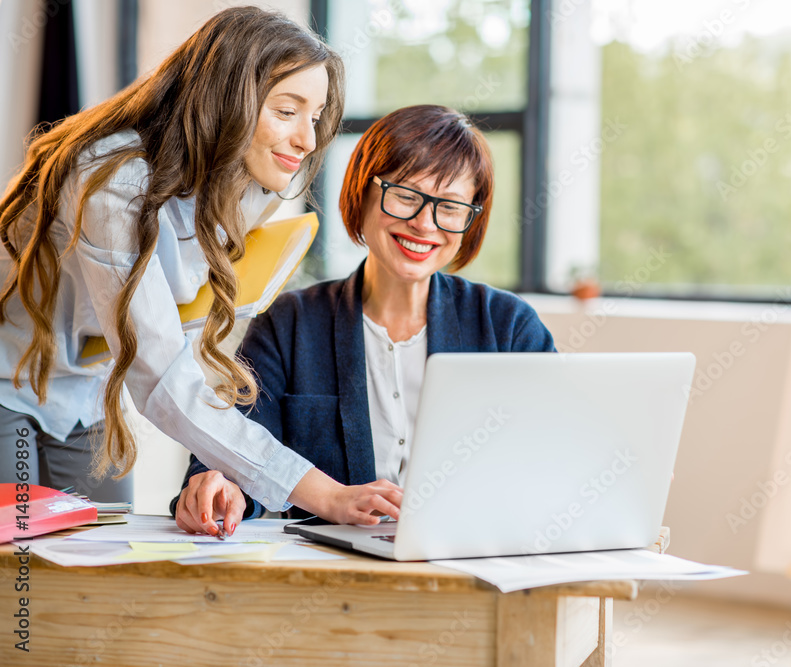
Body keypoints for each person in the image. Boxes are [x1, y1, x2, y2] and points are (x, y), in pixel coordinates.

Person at [0, 7, 384, 537]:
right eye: (287, 110)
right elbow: (160, 372)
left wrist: (226, 468)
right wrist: (324, 493)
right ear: (225, 98)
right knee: (13, 578)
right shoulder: (113, 181)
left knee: (101, 568)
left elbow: (178, 332)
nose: (308, 139)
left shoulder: (251, 189)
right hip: (7, 372)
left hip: (85, 387)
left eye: (314, 116)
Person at [171, 104, 557, 533]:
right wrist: (219, 485)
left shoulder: (508, 327)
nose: (425, 225)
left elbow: (558, 456)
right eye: (406, 197)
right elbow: (229, 446)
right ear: (363, 191)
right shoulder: (291, 323)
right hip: (331, 578)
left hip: (472, 565)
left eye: (449, 207)